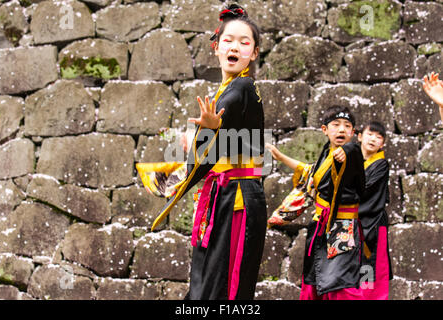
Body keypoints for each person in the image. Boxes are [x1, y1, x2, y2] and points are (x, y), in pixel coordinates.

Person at [137, 4, 266, 300]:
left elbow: (226, 119)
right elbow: (215, 150)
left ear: (254, 53)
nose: (235, 46)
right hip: (223, 196)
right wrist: (202, 136)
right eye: (228, 40)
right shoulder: (222, 92)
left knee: (223, 289)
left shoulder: (243, 88)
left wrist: (207, 130)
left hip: (238, 200)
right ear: (216, 46)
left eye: (244, 42)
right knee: (205, 285)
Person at [266, 106, 366, 300]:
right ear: (324, 129)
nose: (342, 130)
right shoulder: (327, 154)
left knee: (340, 283)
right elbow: (313, 174)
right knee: (314, 280)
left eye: (347, 126)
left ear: (353, 133)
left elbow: (353, 152)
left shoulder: (352, 153)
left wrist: (347, 151)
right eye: (336, 125)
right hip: (320, 226)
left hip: (342, 228)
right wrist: (281, 157)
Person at [357, 121, 393, 300]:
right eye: (370, 134)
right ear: (360, 136)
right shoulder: (353, 162)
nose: (373, 139)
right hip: (355, 223)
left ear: (382, 144)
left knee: (369, 266)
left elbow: (366, 190)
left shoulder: (380, 164)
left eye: (379, 137)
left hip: (372, 224)